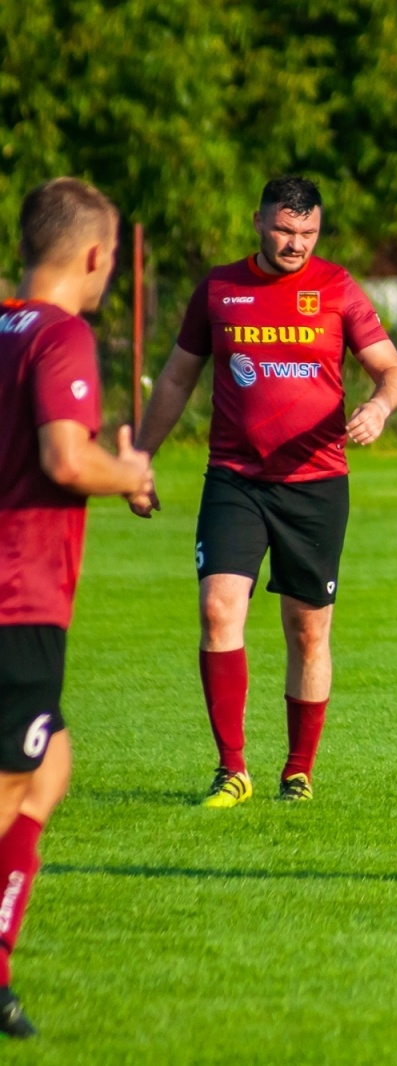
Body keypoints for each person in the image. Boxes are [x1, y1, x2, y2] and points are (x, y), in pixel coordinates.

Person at [134, 176, 397, 806]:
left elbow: (391, 370)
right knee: (216, 609)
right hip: (236, 478)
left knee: (307, 631)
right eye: (285, 230)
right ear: (257, 220)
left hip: (316, 484)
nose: (296, 244)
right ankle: (232, 768)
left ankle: (298, 771)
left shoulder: (337, 289)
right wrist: (140, 459)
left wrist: (381, 407)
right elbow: (177, 379)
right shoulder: (220, 289)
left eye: (308, 233)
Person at [0, 178, 155, 1036]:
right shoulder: (62, 335)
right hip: (17, 595)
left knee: (47, 769)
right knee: (12, 784)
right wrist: (127, 472)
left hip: (20, 597)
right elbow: (66, 458)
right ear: (97, 255)